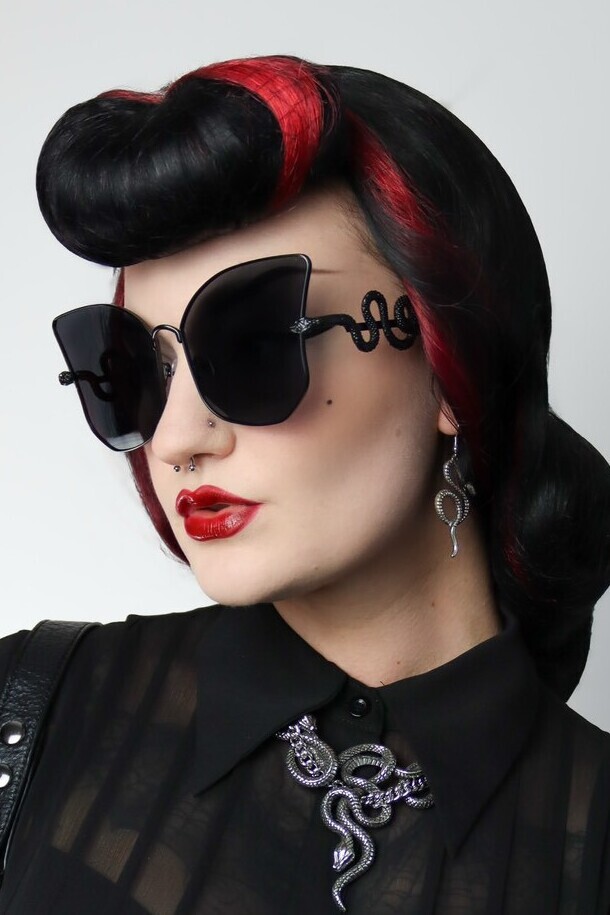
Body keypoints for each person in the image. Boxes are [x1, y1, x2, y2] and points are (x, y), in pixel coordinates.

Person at [0, 54, 608, 914]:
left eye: (255, 345)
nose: (177, 438)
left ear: (449, 370)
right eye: (137, 369)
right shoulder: (28, 710)